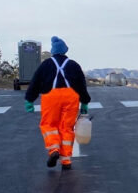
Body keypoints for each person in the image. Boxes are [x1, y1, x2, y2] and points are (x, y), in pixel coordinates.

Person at [24, 36, 91, 170]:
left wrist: (29, 100)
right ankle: (66, 161)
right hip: (71, 97)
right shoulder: (73, 65)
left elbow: (35, 82)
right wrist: (84, 102)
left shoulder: (46, 64)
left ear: (53, 51)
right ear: (65, 50)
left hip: (51, 96)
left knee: (49, 124)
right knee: (66, 128)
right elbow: (81, 85)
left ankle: (54, 149)